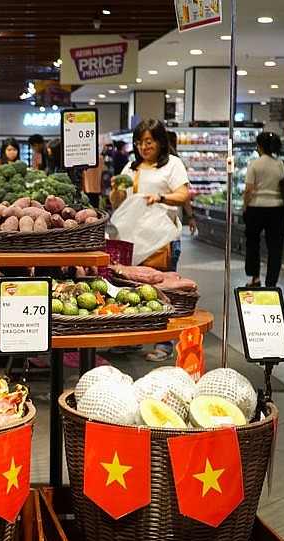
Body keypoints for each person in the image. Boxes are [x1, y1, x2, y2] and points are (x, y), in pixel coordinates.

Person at [114, 119, 190, 362]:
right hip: (135, 240)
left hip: (162, 239)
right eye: (139, 143)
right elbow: (117, 202)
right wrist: (115, 189)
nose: (143, 147)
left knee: (164, 291)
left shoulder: (172, 165)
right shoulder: (131, 167)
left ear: (160, 142)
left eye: (148, 142)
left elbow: (183, 194)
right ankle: (133, 338)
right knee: (132, 291)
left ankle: (165, 343)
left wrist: (160, 197)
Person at [243, 131, 284, 287]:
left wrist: (245, 207)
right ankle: (271, 283)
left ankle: (255, 277)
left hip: (256, 208)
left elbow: (248, 189)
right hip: (277, 210)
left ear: (259, 147)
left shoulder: (254, 165)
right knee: (275, 247)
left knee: (252, 242)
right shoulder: (283, 164)